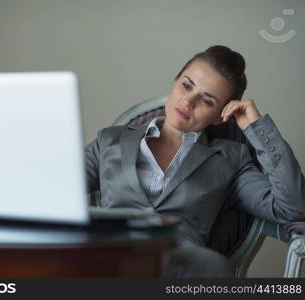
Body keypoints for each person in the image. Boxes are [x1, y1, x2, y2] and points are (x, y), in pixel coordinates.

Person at [84, 45, 305, 277]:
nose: (188, 102)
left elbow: (294, 209)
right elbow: (56, 192)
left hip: (180, 266)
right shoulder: (110, 140)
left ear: (221, 116)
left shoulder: (230, 160)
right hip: (107, 255)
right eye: (186, 85)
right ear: (175, 80)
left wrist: (257, 129)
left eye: (207, 101)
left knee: (212, 266)